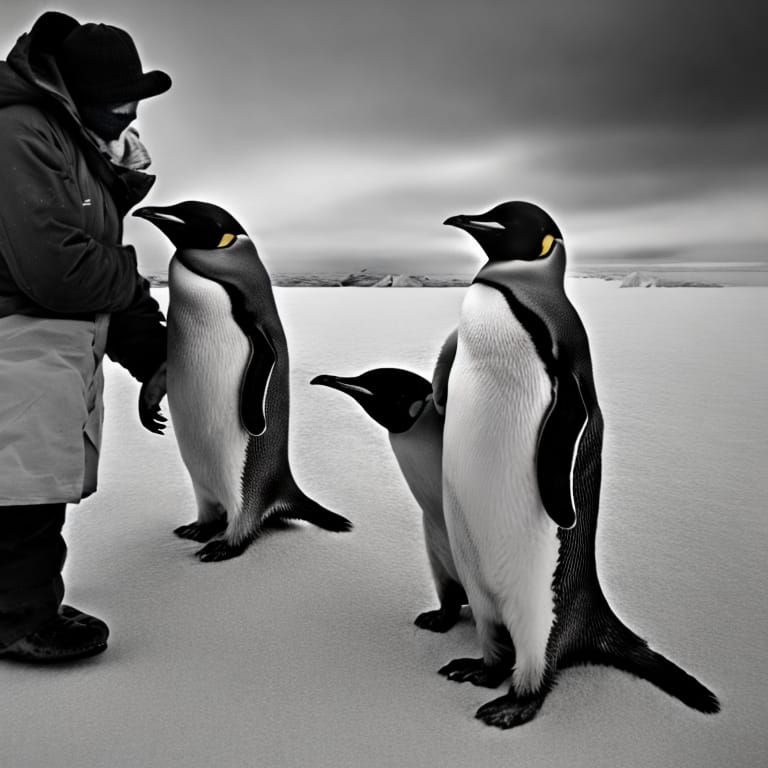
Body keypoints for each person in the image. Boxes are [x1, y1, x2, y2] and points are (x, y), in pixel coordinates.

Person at [0, 11, 170, 663]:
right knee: (21, 492)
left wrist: (151, 350)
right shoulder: (21, 131)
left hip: (46, 346)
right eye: (119, 103)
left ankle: (21, 602)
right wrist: (129, 280)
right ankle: (17, 617)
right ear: (75, 94)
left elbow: (92, 259)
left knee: (30, 483)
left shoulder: (75, 141)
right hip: (15, 339)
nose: (129, 115)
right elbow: (60, 268)